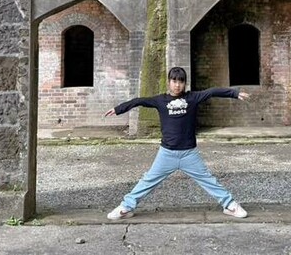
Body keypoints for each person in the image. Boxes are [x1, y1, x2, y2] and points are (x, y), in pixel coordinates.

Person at [103, 66, 251, 220]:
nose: (177, 85)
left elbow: (212, 91)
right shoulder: (161, 100)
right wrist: (118, 109)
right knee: (148, 181)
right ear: (169, 82)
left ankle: (230, 205)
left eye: (181, 81)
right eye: (174, 81)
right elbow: (139, 101)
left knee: (207, 180)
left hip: (189, 154)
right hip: (166, 154)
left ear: (185, 83)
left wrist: (234, 93)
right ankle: (126, 207)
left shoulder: (192, 98)